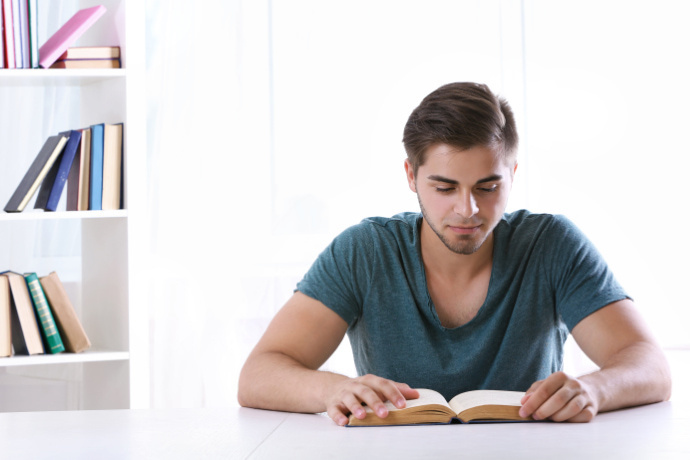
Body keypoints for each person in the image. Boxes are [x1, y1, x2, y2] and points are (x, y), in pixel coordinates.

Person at [237, 82, 672, 426]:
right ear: (411, 175)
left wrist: (594, 389)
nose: (469, 210)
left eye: (488, 187)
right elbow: (258, 375)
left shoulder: (552, 244)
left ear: (513, 173)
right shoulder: (364, 251)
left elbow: (650, 365)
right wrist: (330, 390)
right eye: (444, 188)